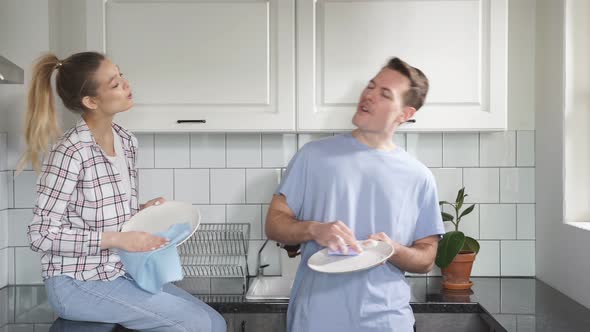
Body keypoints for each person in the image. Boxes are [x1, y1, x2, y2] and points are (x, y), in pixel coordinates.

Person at [21, 52, 226, 332]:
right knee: (198, 324)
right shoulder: (70, 152)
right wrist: (119, 239)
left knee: (215, 321)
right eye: (115, 84)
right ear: (90, 102)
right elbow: (41, 235)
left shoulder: (127, 141)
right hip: (76, 284)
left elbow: (99, 213)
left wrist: (142, 212)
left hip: (119, 273)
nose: (126, 85)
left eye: (122, 76)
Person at [265, 57, 445, 332]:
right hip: (315, 319)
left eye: (385, 94)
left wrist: (393, 250)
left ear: (404, 114)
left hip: (386, 321)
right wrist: (314, 229)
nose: (369, 96)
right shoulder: (312, 156)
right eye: (371, 86)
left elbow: (426, 258)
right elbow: (274, 223)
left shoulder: (419, 176)